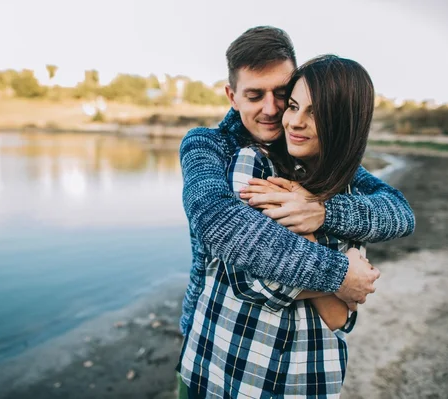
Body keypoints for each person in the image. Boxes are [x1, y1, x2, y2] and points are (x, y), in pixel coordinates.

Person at [177, 25, 414, 396]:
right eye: (255, 95)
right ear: (232, 96)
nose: (273, 111)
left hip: (303, 369)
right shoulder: (210, 146)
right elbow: (218, 222)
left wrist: (323, 212)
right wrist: (340, 274)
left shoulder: (314, 157)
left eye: (283, 96)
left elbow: (399, 212)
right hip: (212, 343)